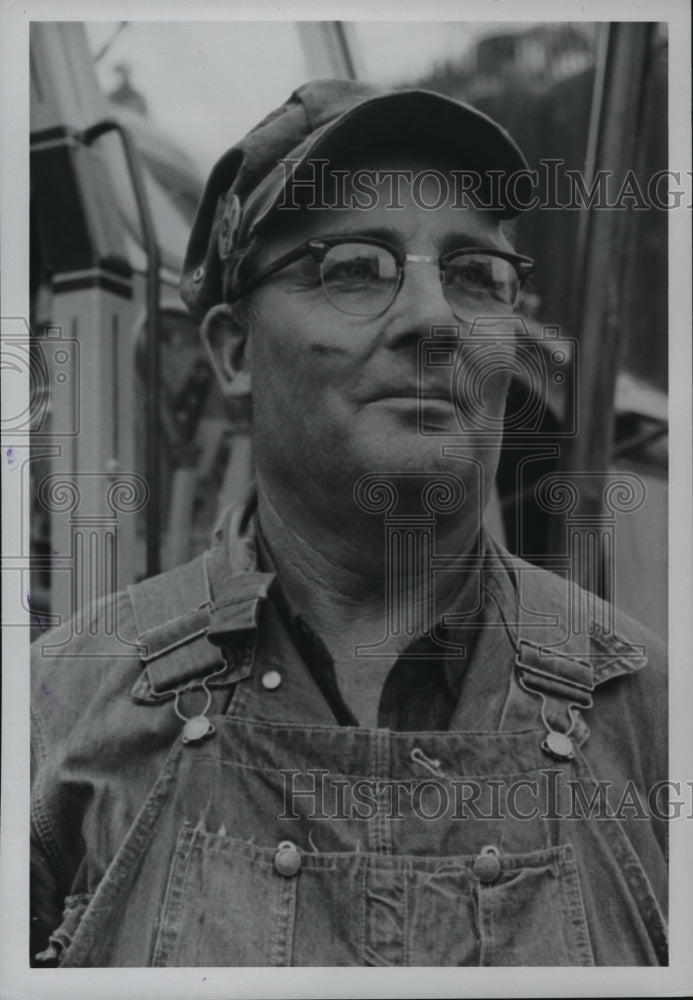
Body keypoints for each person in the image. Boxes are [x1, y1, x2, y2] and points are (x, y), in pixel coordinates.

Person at [30, 79, 667, 968]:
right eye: (354, 268)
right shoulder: (53, 720)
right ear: (233, 348)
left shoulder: (651, 717)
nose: (434, 319)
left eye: (474, 276)